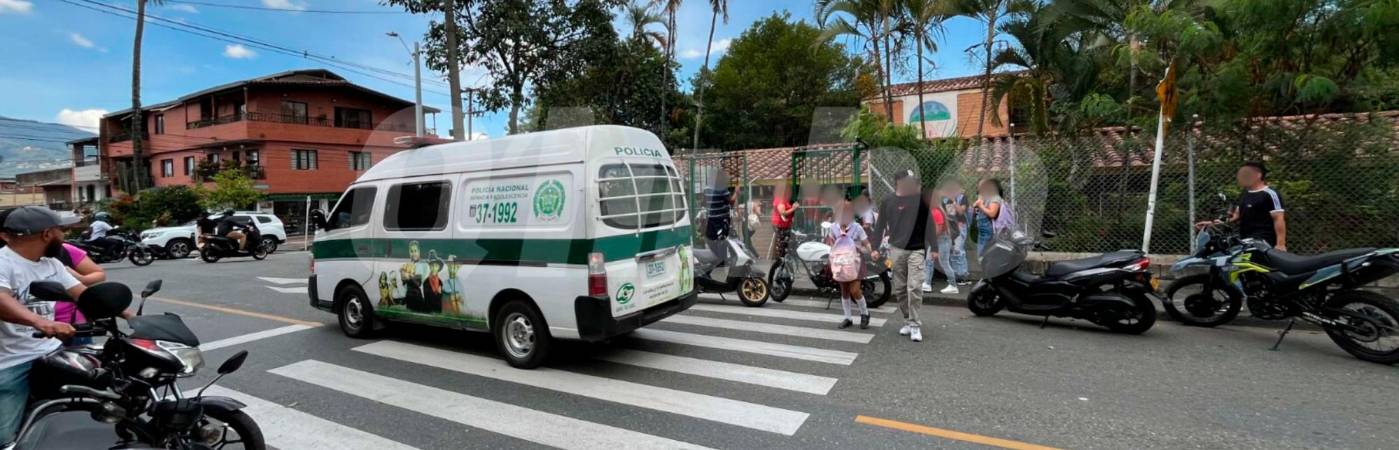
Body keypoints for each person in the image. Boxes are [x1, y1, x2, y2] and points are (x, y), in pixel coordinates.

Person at [0, 206, 85, 442]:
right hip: (9, 362)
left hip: (50, 353)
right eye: (61, 230)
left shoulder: (51, 264)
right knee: (6, 438)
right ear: (48, 234)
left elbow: (84, 295)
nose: (64, 236)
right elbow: (1, 300)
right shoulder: (3, 263)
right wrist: (41, 322)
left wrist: (134, 319)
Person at [872, 170, 935, 343]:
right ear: (898, 182)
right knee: (900, 289)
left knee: (914, 287)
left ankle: (915, 325)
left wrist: (934, 247)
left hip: (917, 249)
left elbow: (929, 223)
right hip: (896, 250)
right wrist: (874, 247)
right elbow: (880, 225)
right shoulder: (888, 200)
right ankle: (907, 319)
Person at [1198, 161, 1286, 251]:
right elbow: (1237, 214)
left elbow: (1278, 219)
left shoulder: (1270, 194)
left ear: (1258, 175)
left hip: (1264, 243)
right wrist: (1212, 224)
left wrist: (1281, 244)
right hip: (1246, 240)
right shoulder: (1245, 193)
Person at [827, 194, 873, 330]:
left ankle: (865, 313)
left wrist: (872, 252)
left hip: (855, 261)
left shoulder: (857, 227)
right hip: (840, 261)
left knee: (855, 289)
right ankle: (848, 318)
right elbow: (831, 242)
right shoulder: (833, 227)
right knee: (845, 291)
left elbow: (866, 242)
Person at [923, 187, 960, 295]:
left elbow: (939, 228)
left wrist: (932, 239)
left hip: (941, 240)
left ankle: (953, 285)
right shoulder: (937, 210)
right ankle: (927, 283)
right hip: (941, 240)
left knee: (944, 263)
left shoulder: (935, 211)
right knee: (929, 261)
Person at [942, 180, 972, 283]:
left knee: (958, 250)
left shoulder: (962, 198)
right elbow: (947, 214)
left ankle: (962, 275)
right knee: (951, 250)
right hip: (951, 227)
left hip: (960, 226)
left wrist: (953, 201)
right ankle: (954, 275)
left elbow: (960, 211)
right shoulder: (946, 199)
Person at [703, 171, 736, 261]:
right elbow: (731, 201)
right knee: (722, 240)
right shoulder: (722, 189)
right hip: (721, 219)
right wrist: (736, 192)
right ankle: (722, 259)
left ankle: (715, 257)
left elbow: (705, 202)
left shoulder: (706, 189)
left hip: (711, 219)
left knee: (711, 239)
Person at [972, 178, 1009, 258]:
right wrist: (975, 208)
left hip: (988, 228)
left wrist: (980, 205)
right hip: (981, 228)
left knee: (984, 255)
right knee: (982, 253)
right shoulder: (983, 197)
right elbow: (976, 213)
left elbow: (992, 214)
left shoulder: (995, 197)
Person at [770, 183, 799, 259]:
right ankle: (781, 259)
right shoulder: (780, 199)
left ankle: (783, 258)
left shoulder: (784, 199)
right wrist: (793, 209)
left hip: (785, 225)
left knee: (784, 243)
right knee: (782, 243)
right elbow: (782, 212)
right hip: (780, 225)